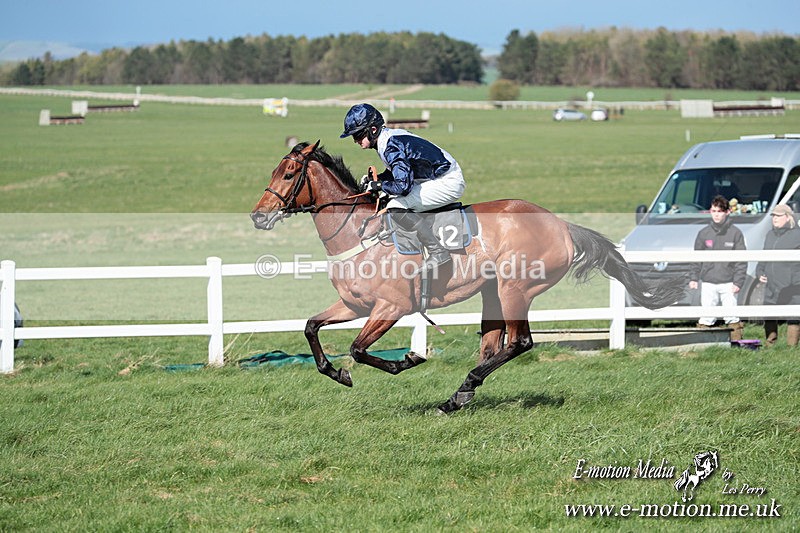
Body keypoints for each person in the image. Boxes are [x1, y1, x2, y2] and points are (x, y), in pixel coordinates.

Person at [339, 103, 466, 271]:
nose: (356, 140)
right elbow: (398, 172)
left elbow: (403, 186)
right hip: (436, 177)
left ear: (373, 130)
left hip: (447, 181)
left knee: (395, 206)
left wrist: (378, 185)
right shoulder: (387, 139)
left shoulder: (390, 146)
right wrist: (377, 179)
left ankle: (438, 252)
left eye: (358, 135)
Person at [688, 195, 746, 340]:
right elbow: (696, 258)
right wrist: (694, 277)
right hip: (708, 281)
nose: (716, 215)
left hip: (729, 282)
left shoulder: (736, 233)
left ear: (727, 212)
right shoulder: (703, 233)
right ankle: (702, 344)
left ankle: (736, 343)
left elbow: (741, 260)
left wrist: (738, 282)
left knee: (732, 316)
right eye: (714, 211)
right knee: (706, 316)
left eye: (720, 211)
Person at [756, 204, 800, 346]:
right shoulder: (770, 235)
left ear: (788, 217)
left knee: (793, 316)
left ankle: (791, 347)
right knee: (769, 313)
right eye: (773, 215)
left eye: (778, 216)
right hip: (772, 284)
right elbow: (764, 255)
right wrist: (759, 271)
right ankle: (770, 344)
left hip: (792, 285)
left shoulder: (797, 235)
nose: (774, 218)